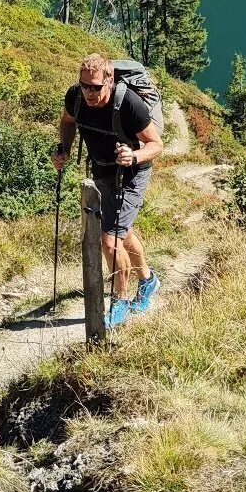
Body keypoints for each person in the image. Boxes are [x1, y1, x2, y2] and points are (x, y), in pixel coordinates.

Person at [54, 52, 163, 327]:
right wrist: (64, 149)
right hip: (102, 169)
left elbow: (156, 144)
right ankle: (148, 280)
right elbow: (67, 122)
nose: (89, 92)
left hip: (132, 172)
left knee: (109, 239)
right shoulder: (75, 98)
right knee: (121, 233)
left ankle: (121, 299)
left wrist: (134, 156)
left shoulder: (128, 104)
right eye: (84, 85)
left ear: (109, 81)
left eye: (95, 87)